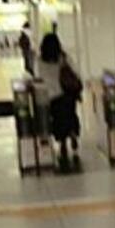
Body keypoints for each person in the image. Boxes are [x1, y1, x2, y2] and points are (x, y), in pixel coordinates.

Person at [38, 28, 82, 170]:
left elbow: (38, 77)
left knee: (58, 119)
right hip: (68, 94)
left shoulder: (40, 61)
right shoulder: (64, 57)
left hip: (52, 96)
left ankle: (62, 143)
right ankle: (73, 133)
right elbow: (76, 72)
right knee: (71, 114)